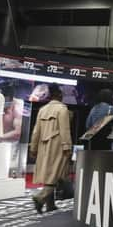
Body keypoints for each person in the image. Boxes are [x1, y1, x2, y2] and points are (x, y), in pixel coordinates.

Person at [29, 85, 72, 214]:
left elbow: (36, 131)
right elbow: (65, 130)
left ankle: (50, 205)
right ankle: (40, 198)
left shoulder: (43, 109)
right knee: (56, 174)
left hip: (44, 146)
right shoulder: (62, 109)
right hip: (58, 146)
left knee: (49, 174)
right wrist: (67, 147)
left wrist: (34, 147)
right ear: (59, 95)